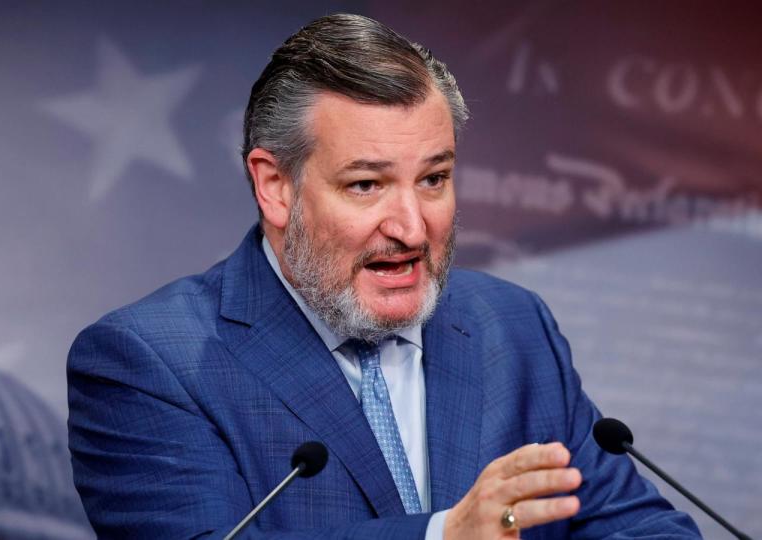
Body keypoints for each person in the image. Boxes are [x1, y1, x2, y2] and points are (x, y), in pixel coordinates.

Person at [66, 13, 699, 539]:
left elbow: (631, 525)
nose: (413, 228)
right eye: (367, 184)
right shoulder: (149, 361)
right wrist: (444, 536)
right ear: (274, 186)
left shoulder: (512, 326)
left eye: (434, 179)